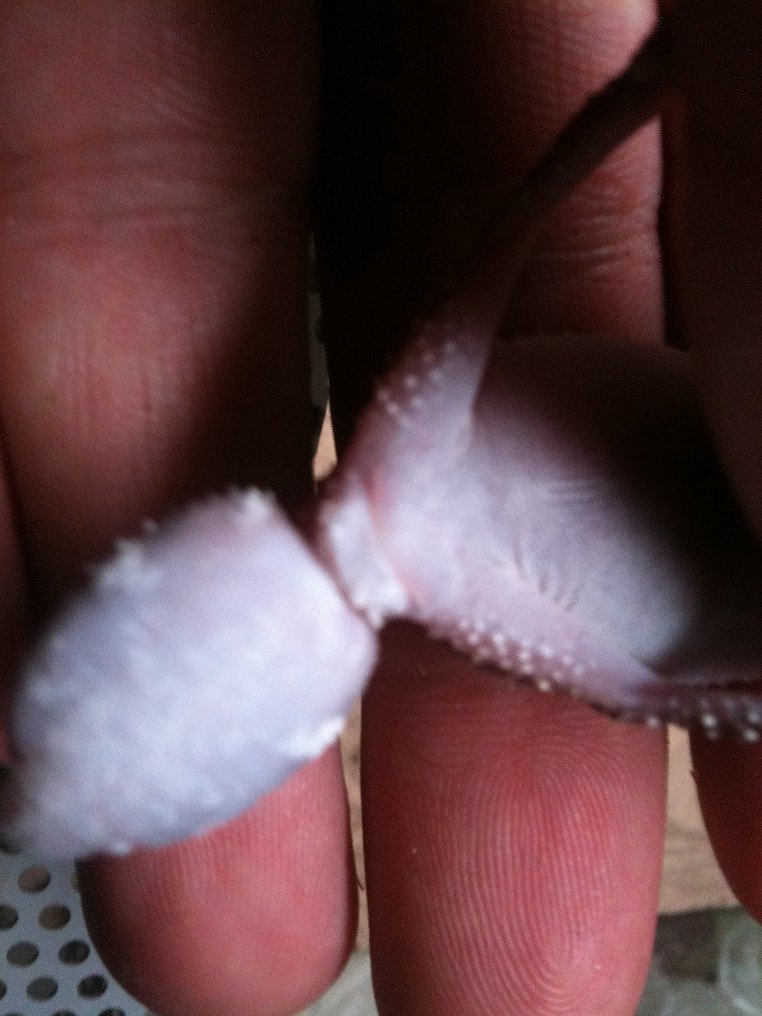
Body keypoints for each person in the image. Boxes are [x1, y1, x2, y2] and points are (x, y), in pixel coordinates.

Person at [0, 3, 758, 1014]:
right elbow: (638, 684)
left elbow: (639, 684)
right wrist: (654, 83)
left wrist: (650, 86)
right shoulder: (415, 506)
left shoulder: (413, 502)